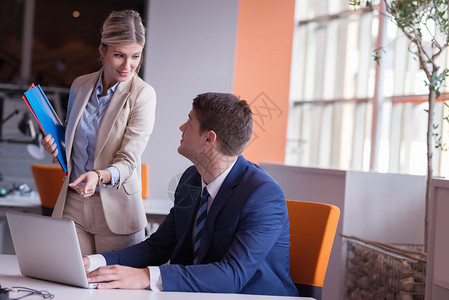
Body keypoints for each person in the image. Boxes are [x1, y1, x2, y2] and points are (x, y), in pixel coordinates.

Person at [83, 92, 299, 296]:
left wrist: (146, 276)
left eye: (190, 122)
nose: (181, 127)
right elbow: (159, 247)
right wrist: (93, 262)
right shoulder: (191, 179)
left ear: (209, 140)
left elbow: (233, 275)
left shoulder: (263, 195)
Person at [41, 10, 156, 255]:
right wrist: (55, 147)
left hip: (117, 209)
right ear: (102, 50)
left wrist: (98, 176)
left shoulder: (143, 95)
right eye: (119, 55)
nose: (128, 66)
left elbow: (128, 161)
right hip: (73, 202)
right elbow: (74, 141)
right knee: (70, 282)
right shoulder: (80, 85)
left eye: (135, 56)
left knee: (113, 290)